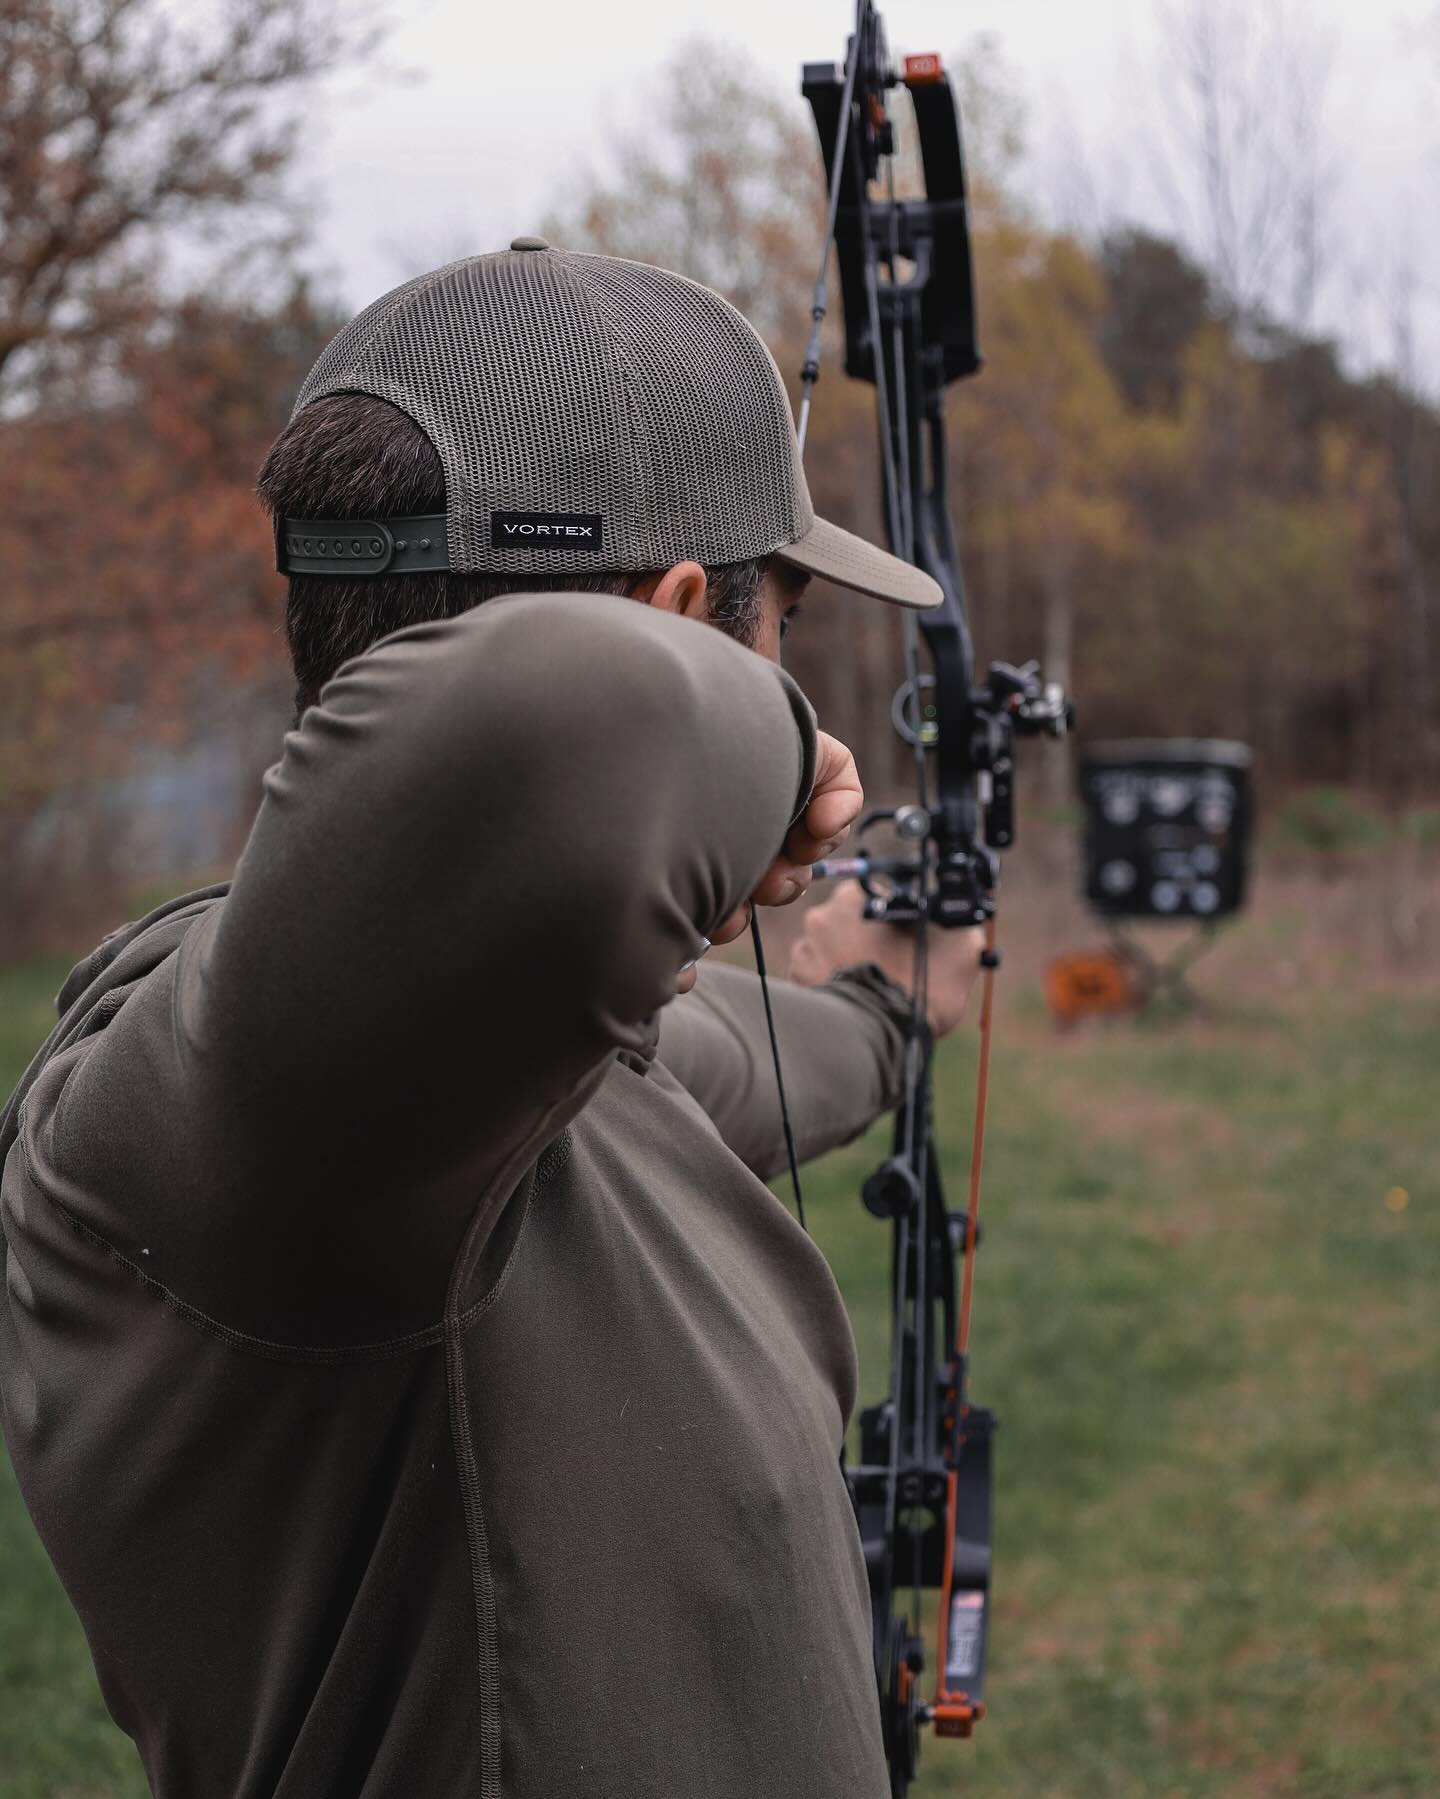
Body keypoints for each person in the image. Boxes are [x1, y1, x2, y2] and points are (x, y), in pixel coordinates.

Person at [0, 240, 982, 1799]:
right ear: (677, 618)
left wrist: (884, 1000)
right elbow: (575, 721)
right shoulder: (245, 1107)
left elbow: (729, 1062)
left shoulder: (519, 1059)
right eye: (780, 624)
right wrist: (766, 751)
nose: (793, 673)